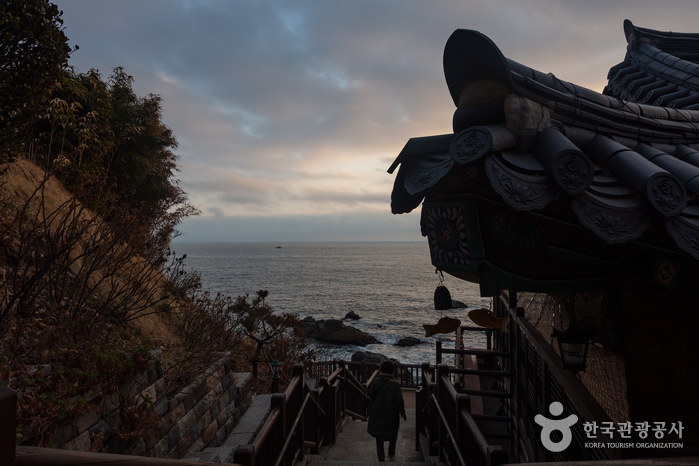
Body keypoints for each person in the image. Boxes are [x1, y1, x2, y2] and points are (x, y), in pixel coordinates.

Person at [367, 361, 406, 462]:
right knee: (393, 431)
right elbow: (399, 400)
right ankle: (391, 452)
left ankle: (381, 457)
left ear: (381, 369)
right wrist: (402, 410)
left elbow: (371, 395)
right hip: (392, 413)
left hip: (377, 412)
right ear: (392, 370)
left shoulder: (376, 381)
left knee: (379, 435)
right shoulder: (395, 384)